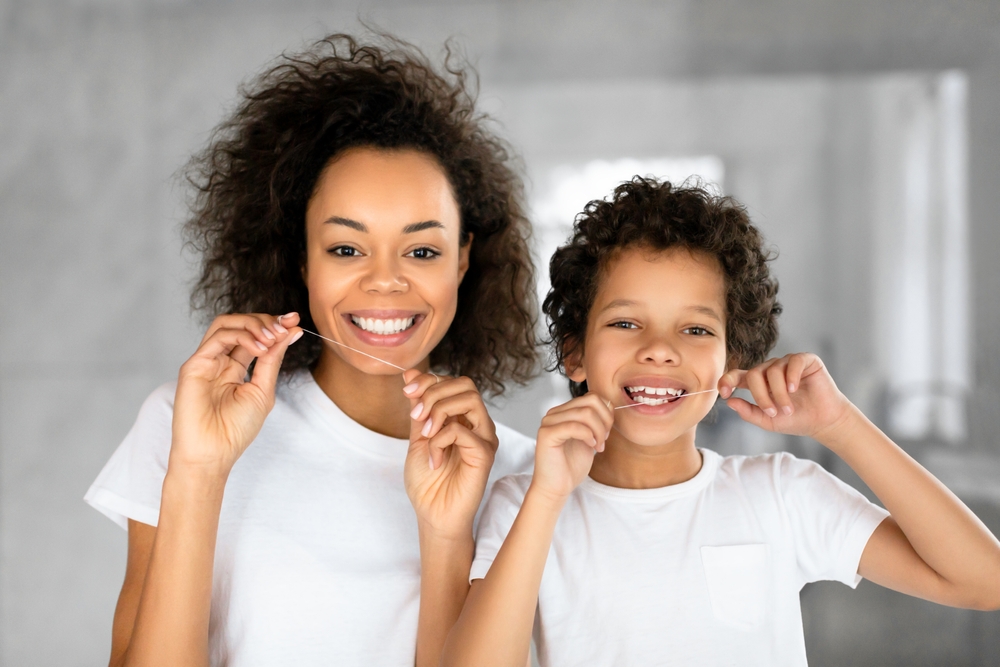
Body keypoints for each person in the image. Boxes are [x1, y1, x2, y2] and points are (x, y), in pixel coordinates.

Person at [85, 33, 539, 667]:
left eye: (422, 250)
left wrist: (447, 538)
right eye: (346, 248)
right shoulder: (186, 424)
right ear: (301, 257)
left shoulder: (522, 479)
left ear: (462, 260)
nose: (385, 281)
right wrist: (200, 471)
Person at [441, 178, 1000, 666]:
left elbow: (984, 581)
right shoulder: (523, 506)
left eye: (696, 330)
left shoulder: (782, 494)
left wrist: (840, 425)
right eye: (626, 323)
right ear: (575, 354)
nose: (660, 349)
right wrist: (546, 497)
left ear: (731, 362)